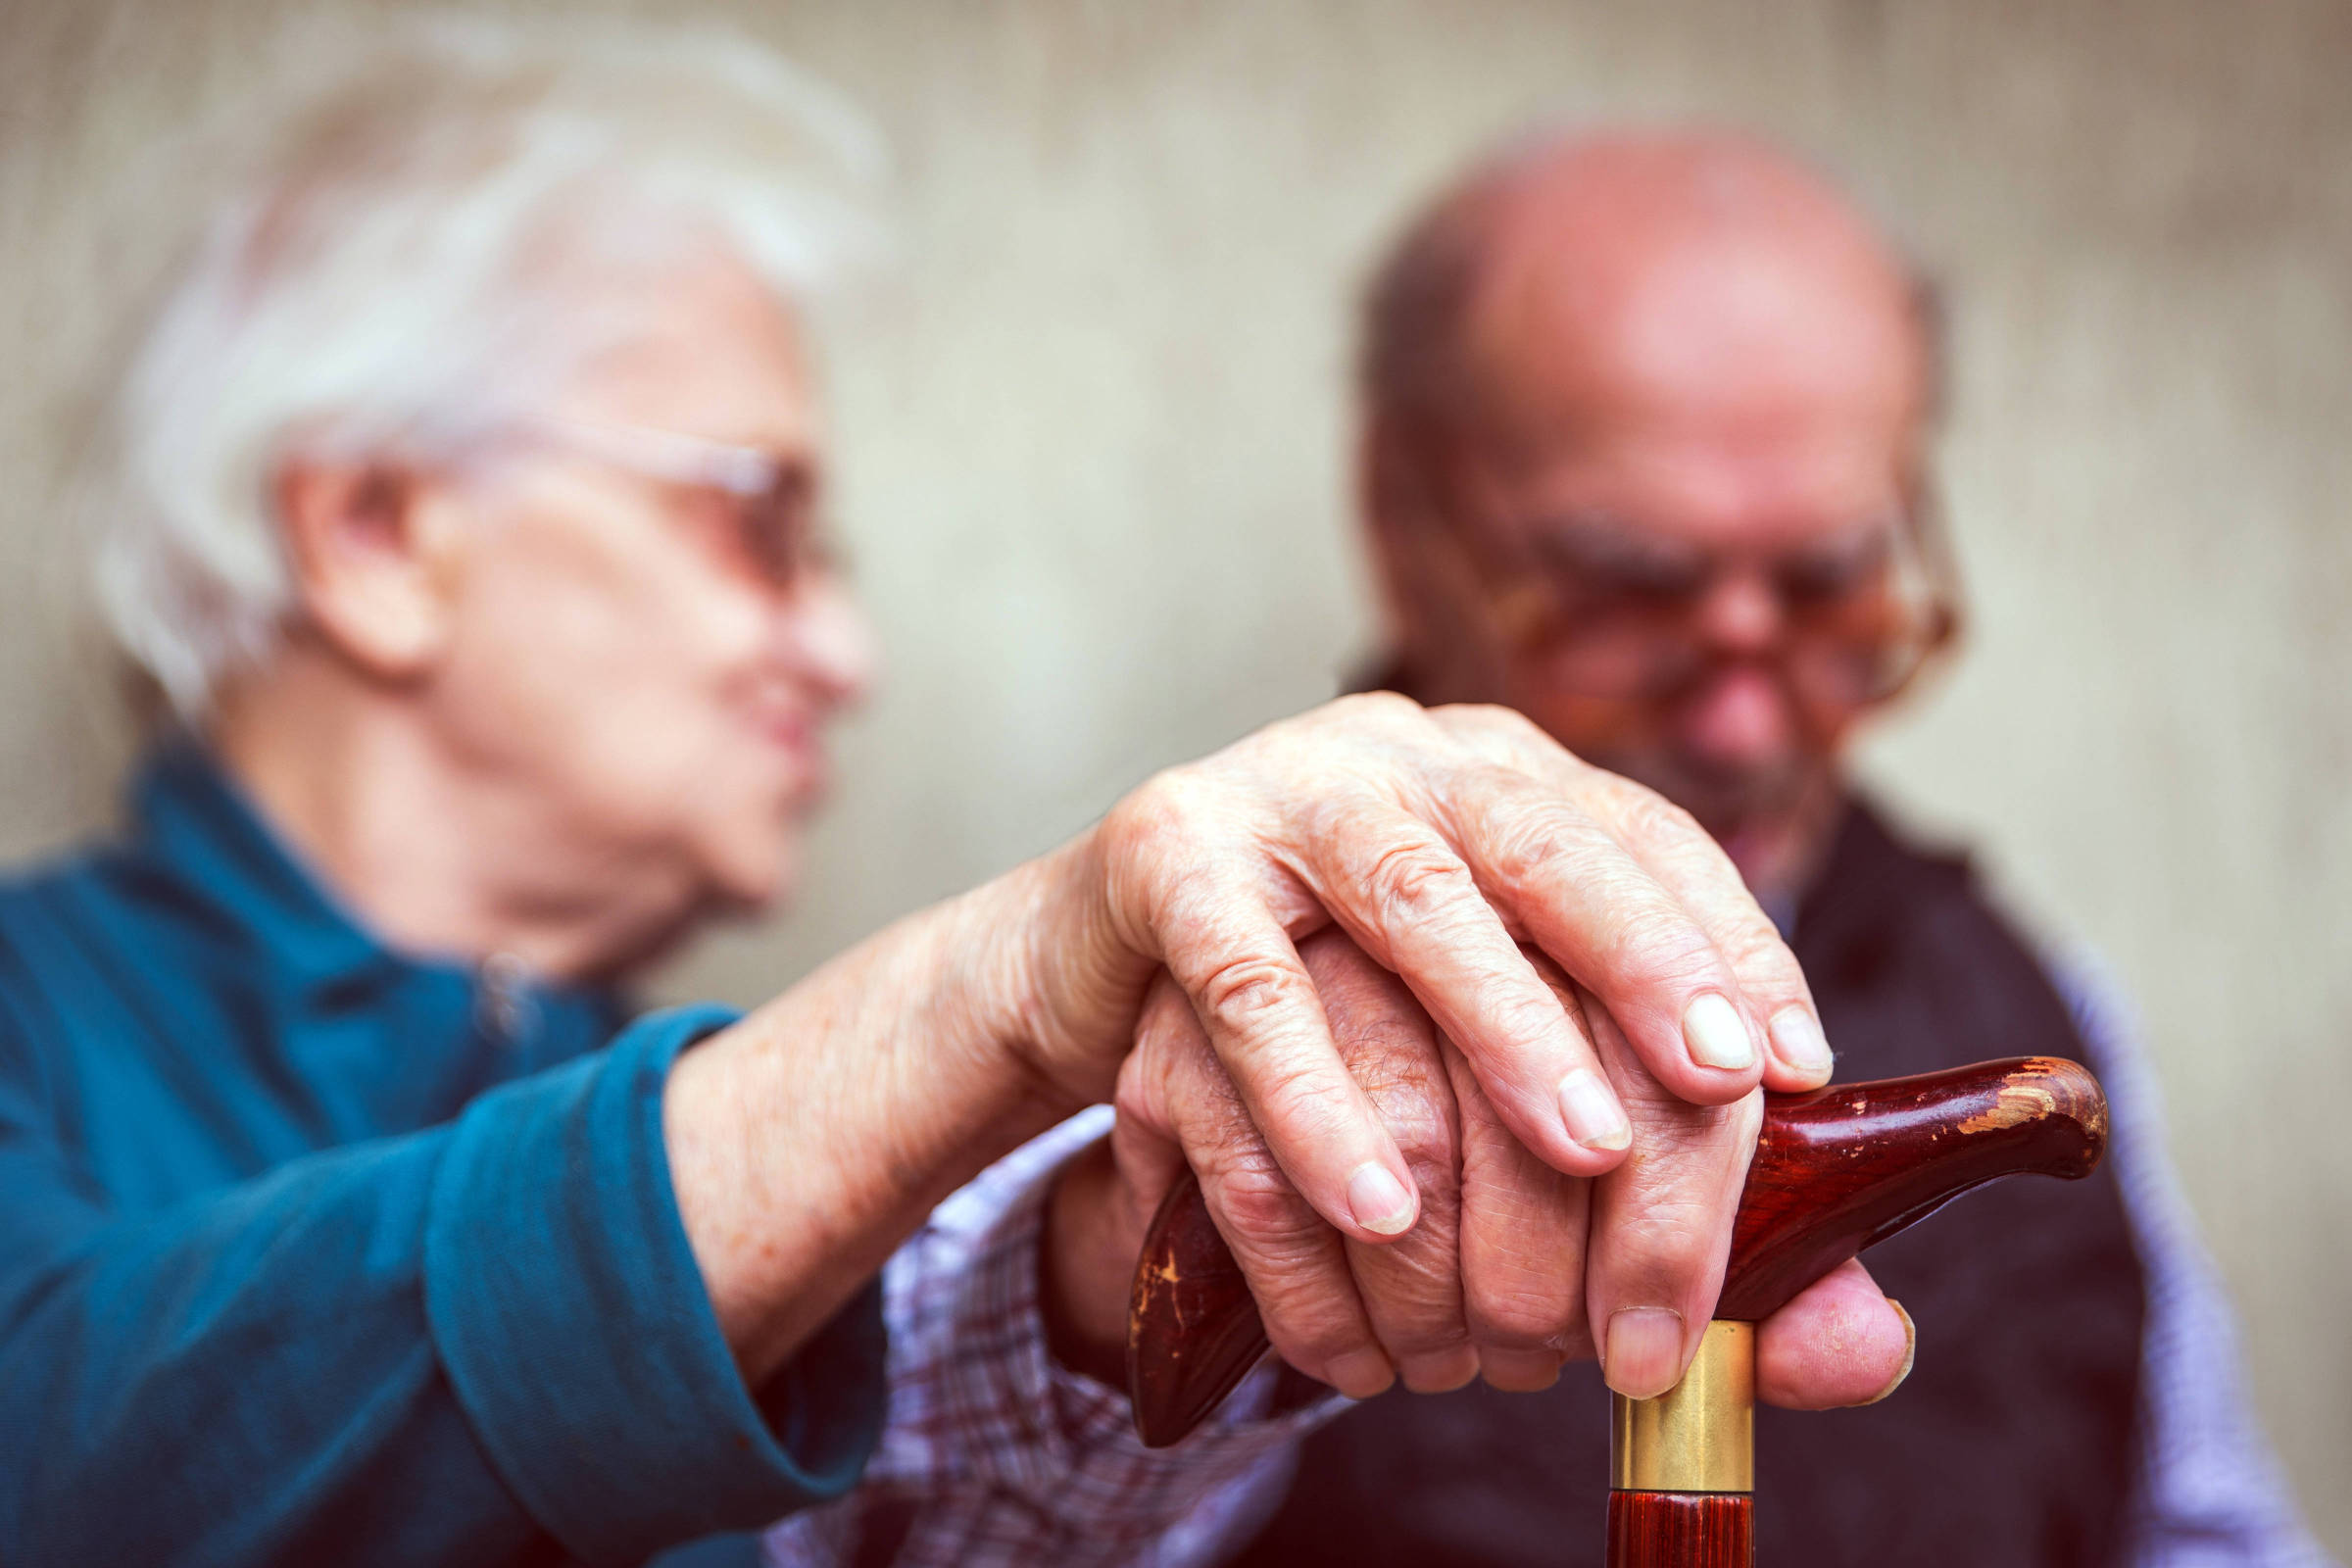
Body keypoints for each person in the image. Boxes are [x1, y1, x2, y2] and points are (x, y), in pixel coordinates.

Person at [0, 31, 1913, 1568]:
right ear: (376, 532)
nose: (844, 650)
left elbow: (915, 1489)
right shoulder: (35, 1020)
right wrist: (994, 982)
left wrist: (1210, 1211)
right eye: (757, 526)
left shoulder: (677, 1095)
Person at [1172, 130, 2327, 1567]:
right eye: (1630, 593)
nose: (1738, 722)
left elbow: (2206, 1535)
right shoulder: (1204, 1010)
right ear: (1405, 524)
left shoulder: (2039, 1004)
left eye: (1831, 585)